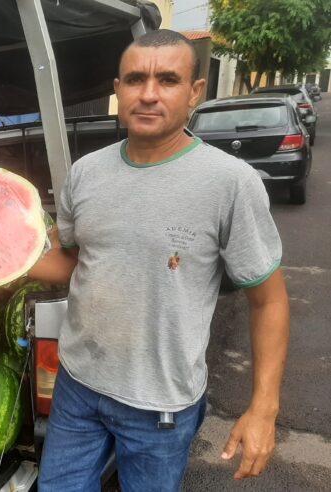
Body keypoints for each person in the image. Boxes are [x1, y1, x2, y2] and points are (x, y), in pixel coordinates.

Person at [29, 29, 290, 491]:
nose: (148, 94)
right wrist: (2, 264)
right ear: (117, 91)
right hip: (77, 386)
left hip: (160, 408)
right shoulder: (85, 173)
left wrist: (264, 408)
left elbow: (268, 302)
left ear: (195, 93)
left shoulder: (230, 182)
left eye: (168, 80)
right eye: (135, 79)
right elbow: (72, 263)